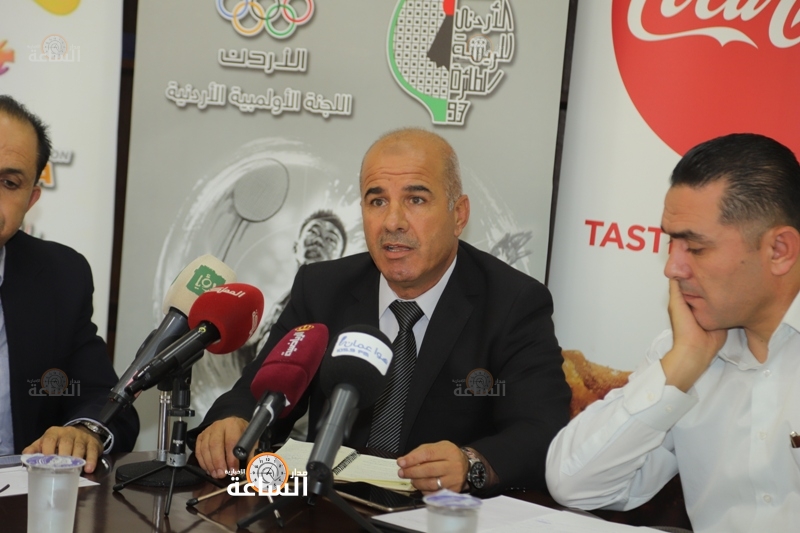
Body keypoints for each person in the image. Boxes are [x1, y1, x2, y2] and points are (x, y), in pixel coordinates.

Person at [191, 128, 570, 495]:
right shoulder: (322, 289)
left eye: (416, 200)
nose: (392, 222)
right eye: (377, 201)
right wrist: (233, 420)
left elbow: (542, 431)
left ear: (459, 214)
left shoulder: (513, 302)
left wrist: (471, 463)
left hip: (440, 515)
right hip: (331, 508)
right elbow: (259, 391)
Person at [546, 133, 800, 533]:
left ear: (779, 250)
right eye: (671, 242)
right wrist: (682, 364)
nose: (672, 268)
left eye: (695, 248)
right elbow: (573, 485)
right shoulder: (688, 349)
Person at [0, 95, 139, 471]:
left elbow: (101, 397)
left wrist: (82, 430)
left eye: (9, 183)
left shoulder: (60, 276)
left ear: (31, 199)